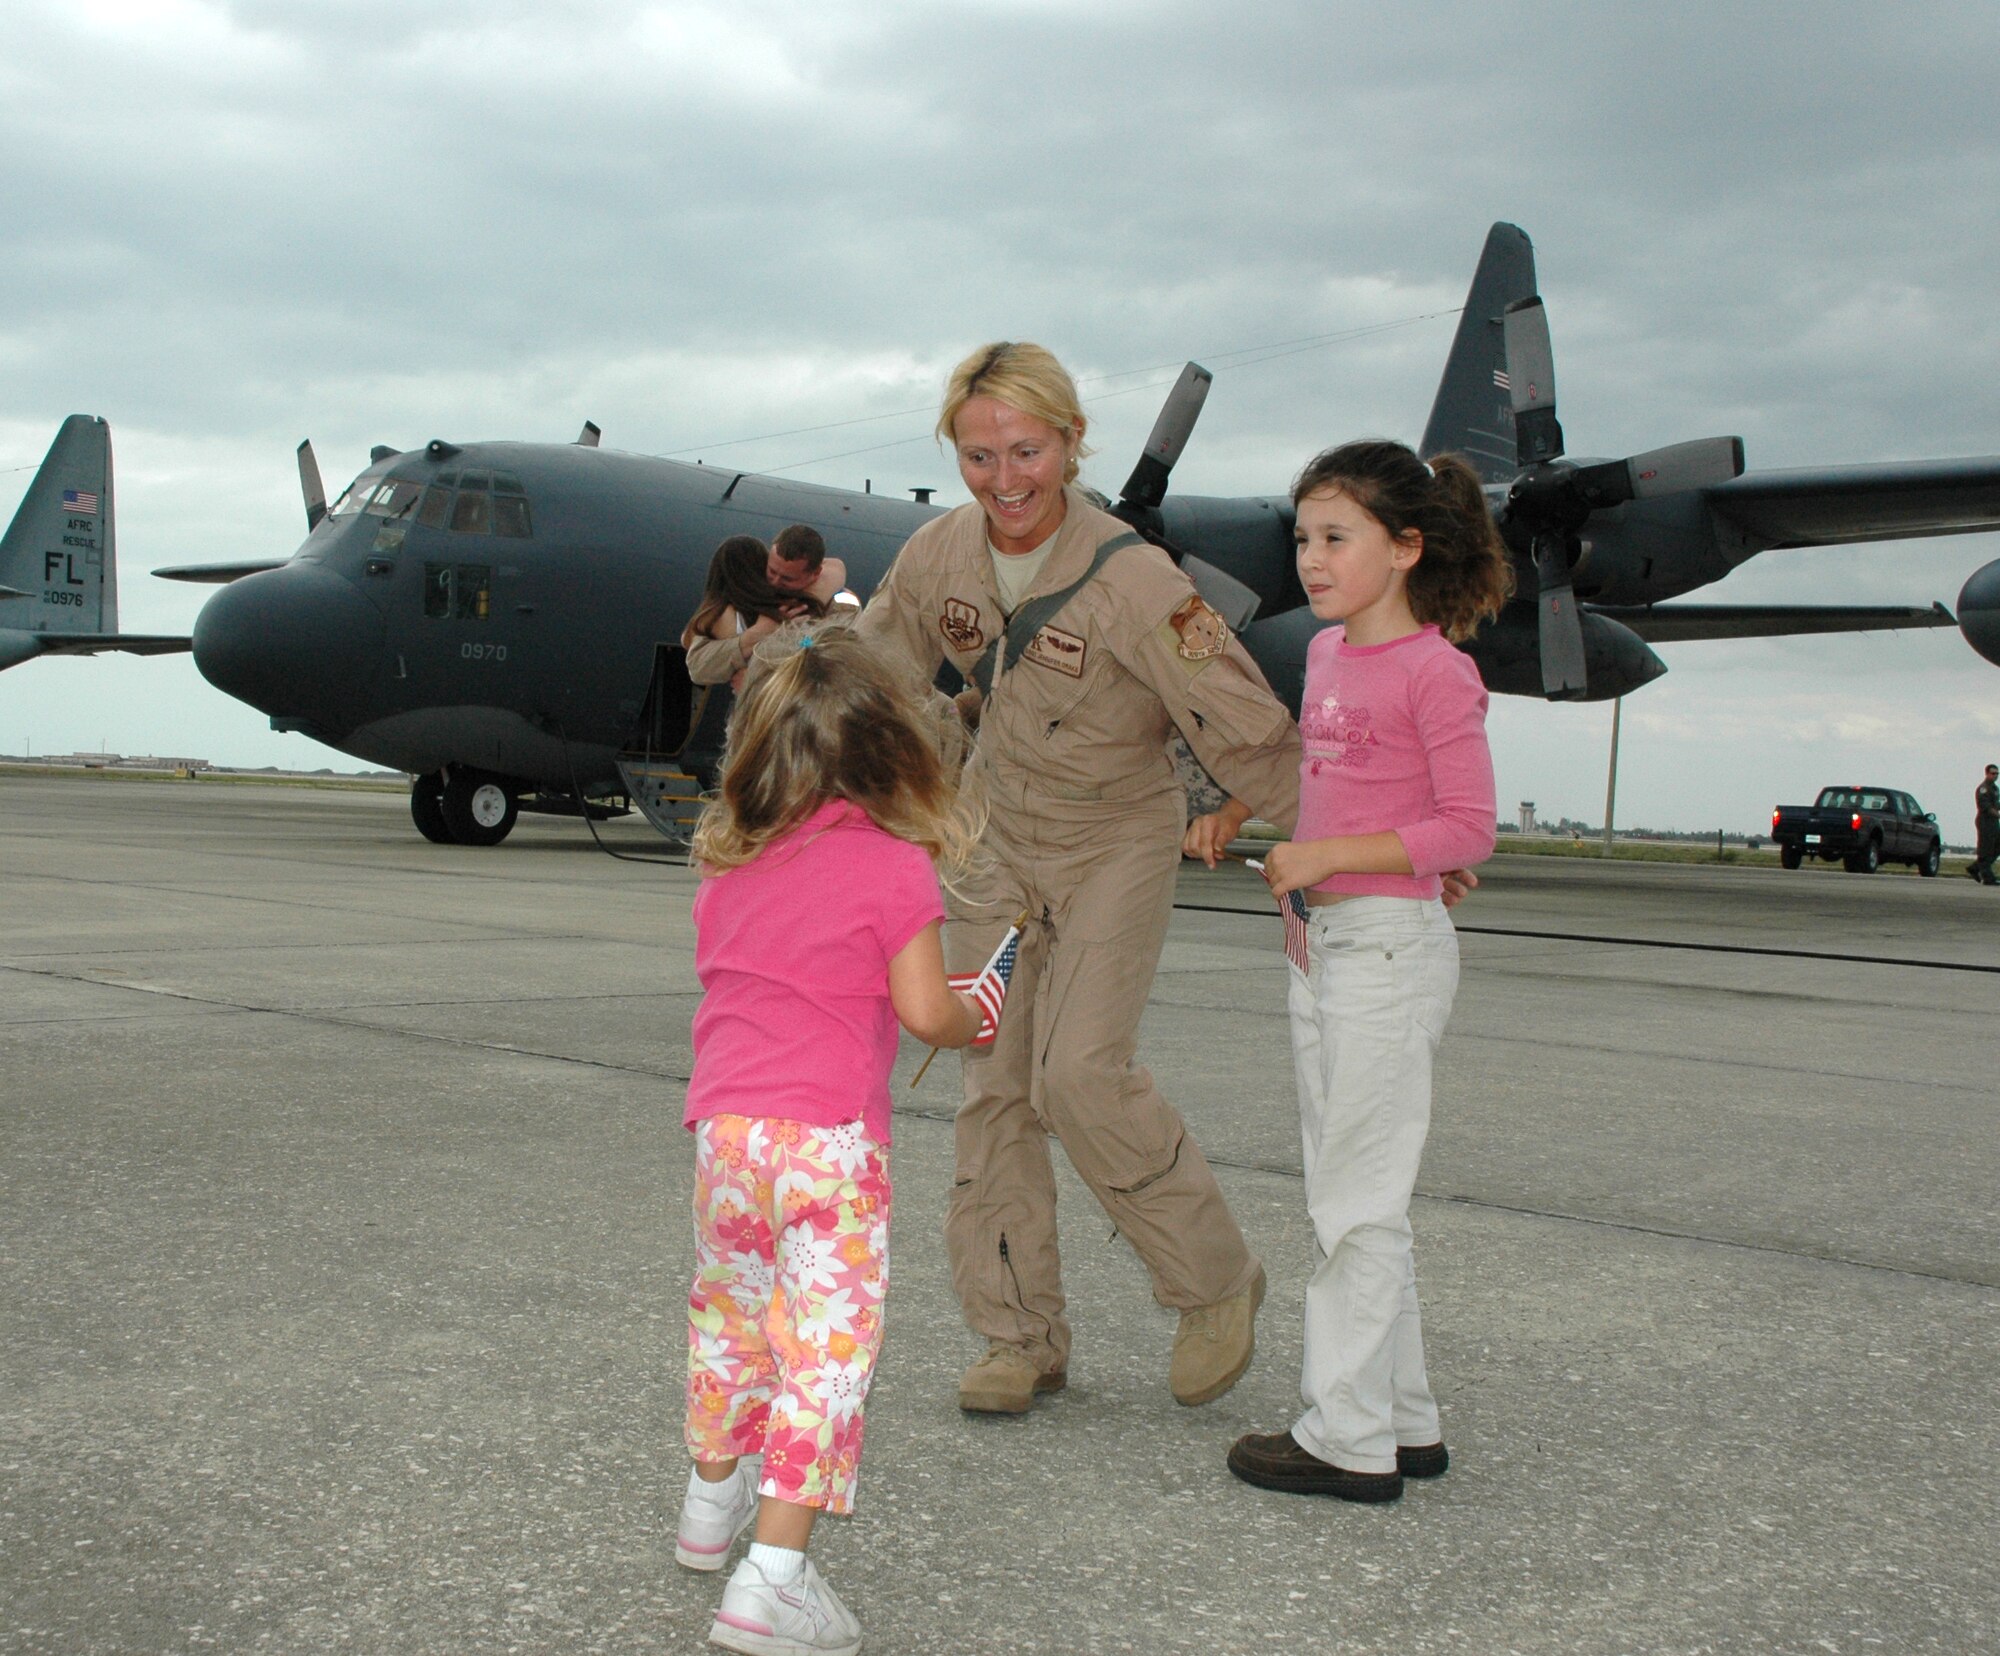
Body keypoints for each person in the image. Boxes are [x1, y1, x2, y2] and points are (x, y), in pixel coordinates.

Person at [855, 341, 1304, 1415]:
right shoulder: (935, 556)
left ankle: (1211, 1283)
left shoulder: (1138, 580)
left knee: (1078, 1077)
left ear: (1067, 442)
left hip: (1113, 843)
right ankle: (1017, 1337)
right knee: (994, 1088)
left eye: (1025, 450)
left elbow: (1247, 728)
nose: (1004, 479)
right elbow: (862, 684)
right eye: (977, 456)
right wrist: (782, 810)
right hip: (992, 845)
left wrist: (1346, 845)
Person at [1187, 439, 1511, 1504]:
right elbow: (1338, 788)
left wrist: (1332, 861)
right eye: (1302, 539)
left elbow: (1466, 827)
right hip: (1319, 948)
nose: (1311, 561)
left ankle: (1345, 1437)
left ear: (1406, 548)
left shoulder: (1434, 669)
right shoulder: (1327, 659)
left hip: (1381, 953)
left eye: (1335, 538)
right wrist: (1251, 814)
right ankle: (1401, 1420)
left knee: (1353, 1206)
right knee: (1360, 1195)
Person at [675, 630, 988, 1655]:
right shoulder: (891, 868)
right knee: (822, 1354)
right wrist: (974, 1014)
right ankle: (770, 1583)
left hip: (725, 1136)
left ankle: (707, 1506)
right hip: (827, 1150)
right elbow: (923, 1013)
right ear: (888, 746)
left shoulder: (729, 863)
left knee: (730, 1317)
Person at [683, 534, 822, 694]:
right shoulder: (794, 604)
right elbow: (811, 645)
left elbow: (695, 664)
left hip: (760, 706)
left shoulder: (719, 615)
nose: (776, 581)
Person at [770, 523, 858, 612]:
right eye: (771, 571)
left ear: (816, 573)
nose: (774, 582)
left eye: (787, 579)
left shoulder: (840, 607)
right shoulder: (757, 571)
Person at [1970, 763, 1998, 884]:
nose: (1995, 776)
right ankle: (1987, 877)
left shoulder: (1995, 788)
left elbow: (1996, 805)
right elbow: (1986, 807)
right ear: (1987, 774)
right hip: (1985, 821)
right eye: (1993, 773)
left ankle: (1976, 868)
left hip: (1994, 822)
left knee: (1996, 846)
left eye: (1997, 774)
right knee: (1985, 849)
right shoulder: (1983, 788)